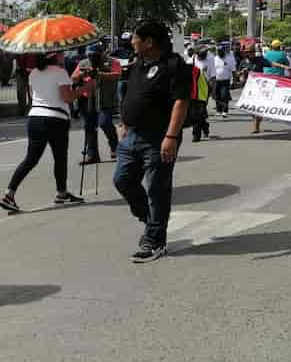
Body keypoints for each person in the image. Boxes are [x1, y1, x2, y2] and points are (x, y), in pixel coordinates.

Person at [113, 21, 191, 262]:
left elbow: (181, 102)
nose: (132, 41)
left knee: (157, 188)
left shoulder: (174, 64)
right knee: (122, 180)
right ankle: (152, 223)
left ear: (149, 42)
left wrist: (171, 136)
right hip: (131, 136)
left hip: (159, 137)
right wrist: (124, 123)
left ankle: (154, 241)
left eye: (136, 38)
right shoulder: (138, 65)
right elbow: (130, 96)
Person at [0, 52, 89, 212]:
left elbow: (38, 94)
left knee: (31, 159)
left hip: (35, 117)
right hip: (55, 119)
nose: (64, 55)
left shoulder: (34, 72)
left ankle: (9, 193)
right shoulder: (60, 72)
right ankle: (61, 192)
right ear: (54, 56)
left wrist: (73, 80)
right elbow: (67, 98)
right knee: (60, 157)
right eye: (61, 53)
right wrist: (85, 88)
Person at [72, 43, 121, 165]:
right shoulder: (83, 63)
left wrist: (100, 74)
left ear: (102, 53)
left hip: (105, 99)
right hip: (88, 99)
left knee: (104, 122)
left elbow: (117, 75)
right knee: (89, 127)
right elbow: (73, 78)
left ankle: (115, 147)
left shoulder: (112, 62)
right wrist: (83, 74)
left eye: (95, 56)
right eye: (90, 56)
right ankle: (92, 155)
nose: (92, 58)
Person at [192, 50, 212, 139]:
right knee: (197, 114)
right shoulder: (190, 61)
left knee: (199, 113)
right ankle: (204, 128)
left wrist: (213, 92)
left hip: (203, 92)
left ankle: (196, 134)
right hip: (192, 92)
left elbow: (213, 77)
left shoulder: (209, 61)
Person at [213, 48, 234, 118]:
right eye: (219, 52)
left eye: (221, 52)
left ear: (224, 52)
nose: (220, 53)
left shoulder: (229, 59)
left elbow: (232, 69)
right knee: (217, 95)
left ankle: (225, 111)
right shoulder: (214, 59)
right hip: (216, 80)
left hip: (225, 80)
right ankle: (218, 110)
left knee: (224, 96)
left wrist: (234, 80)